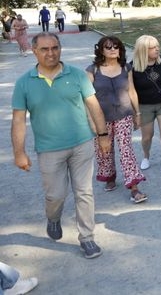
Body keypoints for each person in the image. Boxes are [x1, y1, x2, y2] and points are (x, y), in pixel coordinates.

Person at [12, 33, 110, 259]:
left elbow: (93, 105)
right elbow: (18, 120)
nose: (51, 53)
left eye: (55, 48)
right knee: (55, 195)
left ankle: (87, 238)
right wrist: (19, 153)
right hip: (48, 149)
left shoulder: (76, 75)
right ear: (34, 51)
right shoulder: (24, 83)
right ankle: (53, 218)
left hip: (81, 144)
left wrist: (103, 135)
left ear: (60, 49)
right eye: (45, 49)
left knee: (84, 192)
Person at [87, 36, 148, 202]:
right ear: (101, 50)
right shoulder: (93, 70)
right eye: (108, 47)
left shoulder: (126, 68)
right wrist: (92, 121)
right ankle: (110, 176)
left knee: (126, 148)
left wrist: (138, 114)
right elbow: (86, 98)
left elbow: (132, 91)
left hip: (123, 115)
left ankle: (134, 187)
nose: (113, 50)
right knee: (104, 150)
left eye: (116, 47)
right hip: (101, 117)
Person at [131, 35, 161, 180]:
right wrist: (135, 112)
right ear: (143, 50)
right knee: (147, 136)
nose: (157, 49)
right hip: (144, 106)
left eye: (157, 46)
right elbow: (131, 91)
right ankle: (146, 155)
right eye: (152, 47)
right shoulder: (133, 67)